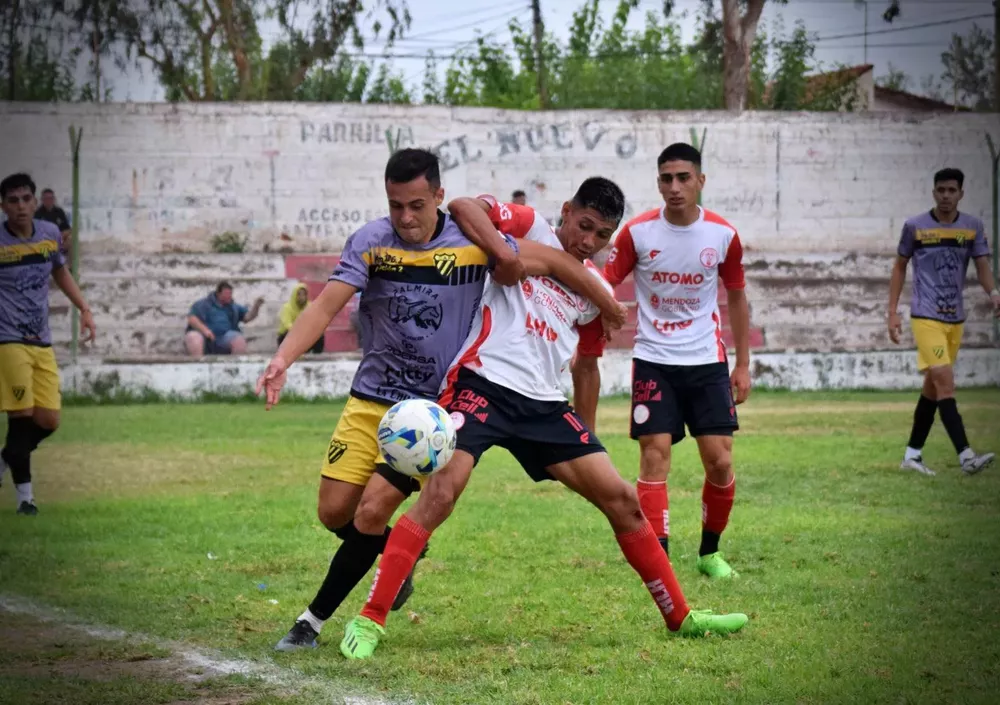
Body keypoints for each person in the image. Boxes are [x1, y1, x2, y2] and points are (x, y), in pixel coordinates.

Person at [337, 177, 748, 660]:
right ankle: (370, 620)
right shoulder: (530, 226)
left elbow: (587, 366)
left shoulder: (595, 292)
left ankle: (681, 617)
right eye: (584, 226)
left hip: (545, 406)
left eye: (602, 235)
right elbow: (468, 207)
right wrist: (504, 254)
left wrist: (587, 436)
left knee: (624, 502)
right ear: (567, 210)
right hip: (481, 385)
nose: (588, 242)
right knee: (442, 494)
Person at [256, 150, 623, 652]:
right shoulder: (370, 241)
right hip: (370, 398)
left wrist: (603, 300)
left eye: (416, 206)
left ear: (438, 198)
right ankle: (397, 556)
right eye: (395, 206)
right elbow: (325, 305)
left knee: (372, 508)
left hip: (431, 408)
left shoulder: (471, 244)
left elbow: (555, 260)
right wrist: (282, 359)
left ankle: (309, 623)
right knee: (334, 512)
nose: (405, 218)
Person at [597, 143, 751, 581]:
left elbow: (737, 297)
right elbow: (604, 282)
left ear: (700, 181)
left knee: (719, 460)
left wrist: (741, 364)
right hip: (654, 359)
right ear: (658, 182)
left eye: (684, 178)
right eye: (666, 178)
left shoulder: (722, 235)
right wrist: (602, 318)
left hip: (706, 360)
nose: (675, 187)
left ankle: (709, 553)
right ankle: (658, 556)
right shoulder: (637, 233)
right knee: (654, 455)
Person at [888, 167, 999, 476]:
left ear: (961, 193)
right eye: (941, 190)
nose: (946, 196)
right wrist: (892, 311)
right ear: (933, 192)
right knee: (946, 383)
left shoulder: (972, 227)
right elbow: (899, 267)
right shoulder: (915, 227)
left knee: (933, 389)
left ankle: (912, 455)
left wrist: (994, 293)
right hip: (925, 316)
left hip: (956, 319)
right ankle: (966, 456)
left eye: (952, 190)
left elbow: (983, 266)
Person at [0, 173, 96, 515]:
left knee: (49, 420)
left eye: (27, 199)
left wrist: (84, 307)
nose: (21, 206)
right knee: (22, 416)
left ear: (36, 201)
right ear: (3, 205)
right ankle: (26, 499)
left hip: (41, 340)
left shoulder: (49, 234)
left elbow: (60, 271)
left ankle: (7, 458)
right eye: (13, 200)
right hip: (7, 340)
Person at [184, 282, 263, 356]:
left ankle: (234, 368)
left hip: (224, 337)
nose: (229, 296)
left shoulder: (233, 307)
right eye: (226, 294)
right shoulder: (202, 304)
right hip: (205, 338)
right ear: (218, 294)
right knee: (193, 337)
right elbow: (192, 318)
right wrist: (205, 331)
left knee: (239, 340)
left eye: (230, 294)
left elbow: (247, 318)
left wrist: (256, 307)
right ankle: (198, 367)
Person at [277, 282, 323, 354]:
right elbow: (287, 324)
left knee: (319, 334)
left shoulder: (310, 306)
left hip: (304, 336)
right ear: (295, 295)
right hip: (289, 336)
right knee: (288, 334)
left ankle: (317, 357)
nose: (301, 297)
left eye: (304, 294)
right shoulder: (287, 307)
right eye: (299, 294)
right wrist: (299, 332)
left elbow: (314, 322)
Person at [34, 189, 72, 256]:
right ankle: (48, 262)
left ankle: (68, 264)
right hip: (45, 241)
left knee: (70, 239)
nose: (49, 200)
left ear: (54, 199)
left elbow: (68, 229)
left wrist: (62, 235)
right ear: (42, 200)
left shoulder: (59, 211)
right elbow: (35, 232)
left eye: (51, 198)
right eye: (46, 198)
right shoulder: (37, 213)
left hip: (59, 239)